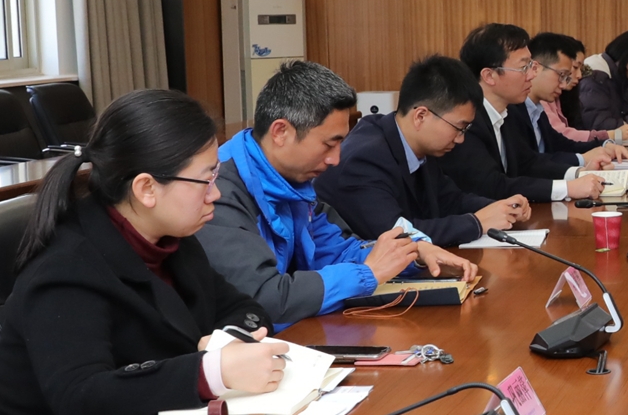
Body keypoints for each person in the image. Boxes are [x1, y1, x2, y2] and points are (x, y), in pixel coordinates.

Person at [0, 89, 287, 415]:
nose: (216, 193)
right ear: (146, 189)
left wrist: (222, 343)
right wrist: (210, 370)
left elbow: (247, 309)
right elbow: (81, 397)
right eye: (206, 178)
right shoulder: (67, 268)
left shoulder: (172, 241)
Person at [198, 59, 474, 329]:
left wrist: (411, 252)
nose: (335, 159)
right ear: (281, 132)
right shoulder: (218, 194)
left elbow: (338, 250)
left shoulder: (294, 182)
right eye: (329, 144)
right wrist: (367, 274)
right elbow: (265, 297)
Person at [316, 54, 531, 245]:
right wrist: (477, 223)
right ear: (421, 116)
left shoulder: (418, 145)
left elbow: (450, 200)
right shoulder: (364, 159)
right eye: (459, 128)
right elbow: (396, 235)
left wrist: (501, 208)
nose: (461, 139)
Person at [453, 22, 628, 203]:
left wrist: (579, 173)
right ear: (489, 76)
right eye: (524, 67)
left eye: (532, 66)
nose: (531, 75)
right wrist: (568, 188)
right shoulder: (466, 121)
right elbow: (492, 186)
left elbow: (528, 163)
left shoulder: (508, 111)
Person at [530, 32, 609, 149]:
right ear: (535, 68)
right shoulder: (519, 108)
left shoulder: (542, 103)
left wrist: (605, 146)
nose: (563, 84)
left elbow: (562, 143)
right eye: (562, 74)